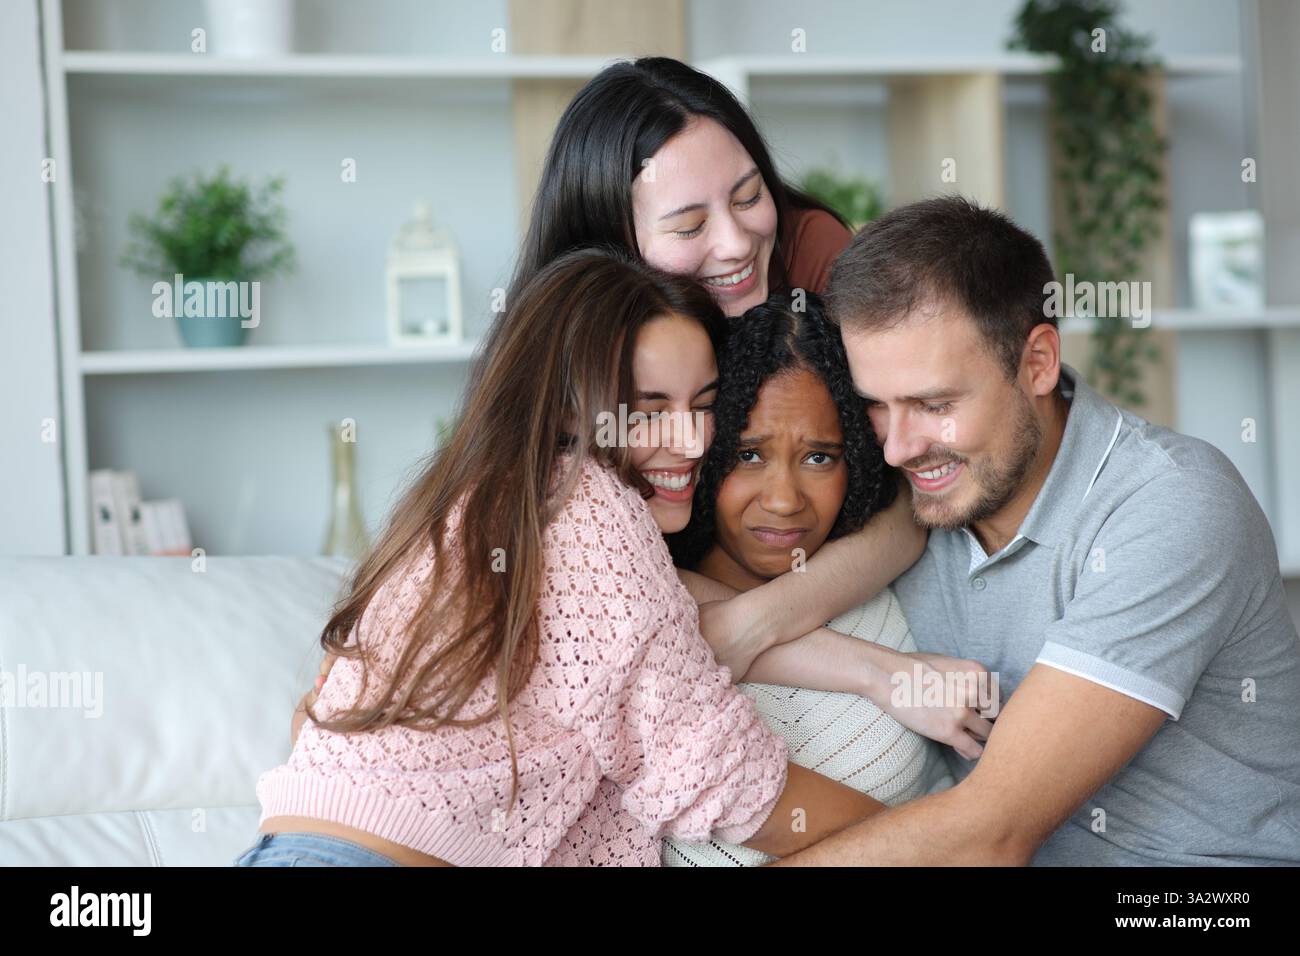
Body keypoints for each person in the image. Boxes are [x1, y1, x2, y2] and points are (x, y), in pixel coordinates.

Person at [234, 247, 885, 867]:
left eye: (704, 406)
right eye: (647, 411)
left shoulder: (486, 505)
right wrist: (936, 837)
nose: (689, 441)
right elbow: (713, 769)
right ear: (574, 410)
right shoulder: (590, 504)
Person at [771, 196, 1300, 866]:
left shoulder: (1170, 505)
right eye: (875, 405)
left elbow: (990, 833)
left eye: (935, 405)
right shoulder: (910, 499)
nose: (899, 448)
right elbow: (701, 623)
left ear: (1039, 362)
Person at [660, 292, 962, 867]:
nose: (782, 500)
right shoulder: (637, 622)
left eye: (819, 457)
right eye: (748, 455)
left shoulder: (889, 594)